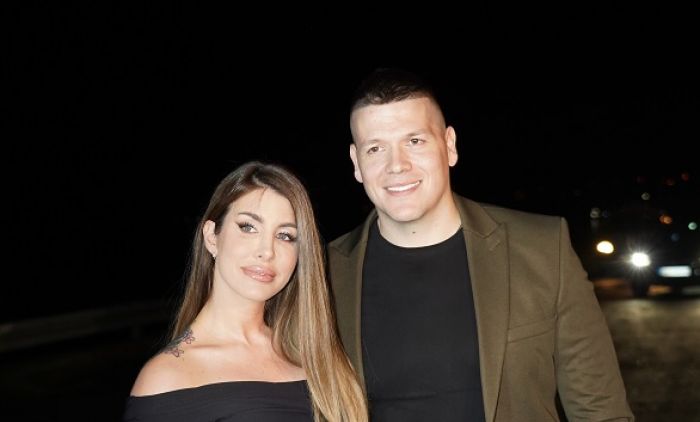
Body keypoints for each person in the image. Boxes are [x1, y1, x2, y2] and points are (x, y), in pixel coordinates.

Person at [327, 68, 634, 421]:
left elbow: (601, 411)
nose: (397, 165)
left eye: (415, 141)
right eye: (376, 148)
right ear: (356, 163)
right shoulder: (325, 274)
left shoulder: (543, 249)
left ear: (449, 145)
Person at [124, 161, 367, 422]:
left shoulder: (315, 355)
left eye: (285, 236)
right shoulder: (166, 378)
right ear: (212, 237)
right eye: (248, 227)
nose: (267, 251)